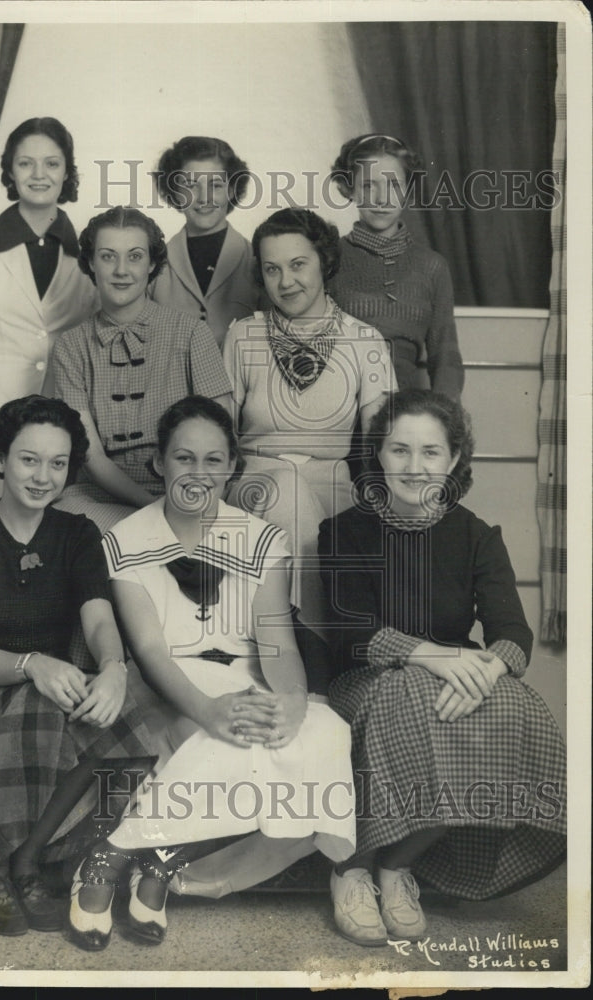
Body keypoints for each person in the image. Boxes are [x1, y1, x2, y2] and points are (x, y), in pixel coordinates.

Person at [67, 396, 356, 951]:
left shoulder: (263, 539)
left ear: (231, 467)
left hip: (250, 680)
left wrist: (294, 700)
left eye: (213, 461)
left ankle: (146, 863)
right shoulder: (125, 541)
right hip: (168, 688)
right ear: (159, 463)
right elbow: (150, 650)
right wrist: (206, 711)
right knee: (226, 745)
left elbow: (275, 640)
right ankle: (106, 867)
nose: (198, 474)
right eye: (184, 459)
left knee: (324, 734)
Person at [318, 389, 566, 947]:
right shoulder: (343, 531)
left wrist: (483, 673)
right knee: (406, 698)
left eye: (430, 453)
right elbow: (350, 632)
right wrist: (444, 658)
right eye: (399, 450)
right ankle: (350, 870)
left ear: (453, 460)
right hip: (367, 680)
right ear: (378, 455)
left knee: (516, 703)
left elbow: (513, 636)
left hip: (456, 682)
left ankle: (397, 867)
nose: (413, 466)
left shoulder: (477, 535)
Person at [0, 395, 157, 937]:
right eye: (29, 459)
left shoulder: (77, 535)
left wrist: (114, 667)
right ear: (0, 457)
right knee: (42, 699)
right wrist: (34, 664)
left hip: (50, 690)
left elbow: (100, 621)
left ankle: (26, 862)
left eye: (58, 464)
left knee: (129, 720)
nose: (43, 476)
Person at [221, 208, 395, 627]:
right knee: (286, 491)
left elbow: (381, 444)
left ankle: (308, 640)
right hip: (256, 484)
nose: (286, 281)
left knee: (335, 520)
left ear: (325, 262)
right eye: (272, 269)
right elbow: (218, 432)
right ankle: (325, 648)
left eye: (298, 264)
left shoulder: (364, 340)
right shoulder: (244, 334)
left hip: (333, 481)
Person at [0, 117, 98, 535]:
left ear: (68, 171)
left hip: (58, 435)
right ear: (10, 170)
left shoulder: (86, 248)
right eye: (26, 164)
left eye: (52, 163)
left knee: (42, 563)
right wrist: (5, 422)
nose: (39, 175)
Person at [52, 206, 232, 533]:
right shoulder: (70, 346)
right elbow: (92, 457)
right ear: (91, 263)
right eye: (108, 257)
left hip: (183, 487)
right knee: (76, 533)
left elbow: (218, 437)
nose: (122, 270)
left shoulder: (191, 333)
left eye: (134, 257)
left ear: (152, 264)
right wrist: (152, 509)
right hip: (99, 493)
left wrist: (179, 501)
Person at [329, 133, 464, 399]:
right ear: (350, 189)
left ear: (407, 190)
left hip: (405, 418)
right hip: (338, 413)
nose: (381, 198)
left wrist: (440, 419)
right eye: (369, 186)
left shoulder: (432, 267)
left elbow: (446, 358)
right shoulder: (330, 257)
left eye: (393, 185)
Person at [149, 135, 261, 344]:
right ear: (175, 192)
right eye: (191, 185)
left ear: (231, 189)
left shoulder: (257, 260)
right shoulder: (154, 264)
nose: (204, 197)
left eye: (216, 185)